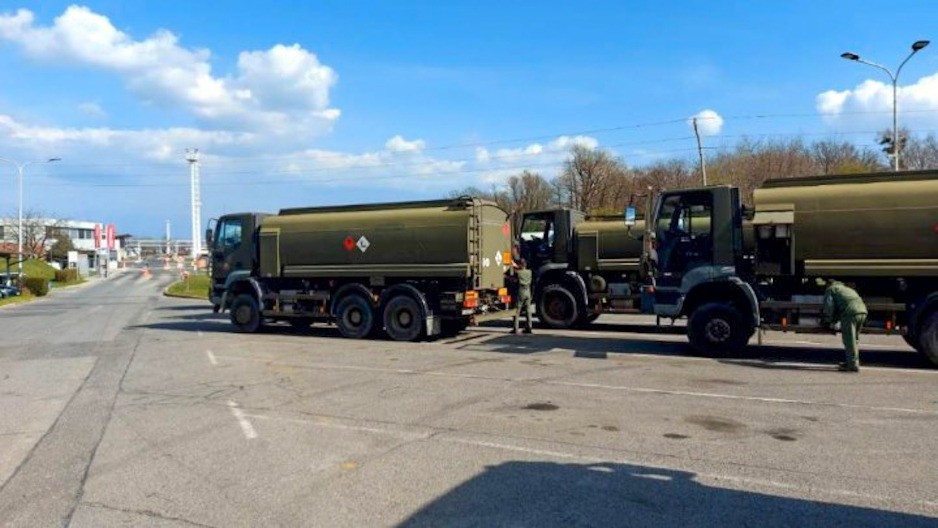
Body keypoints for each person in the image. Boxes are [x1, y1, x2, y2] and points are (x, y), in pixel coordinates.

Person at [822, 280, 868, 372]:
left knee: (849, 340)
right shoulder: (846, 289)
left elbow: (829, 306)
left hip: (850, 313)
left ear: (828, 284)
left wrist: (827, 320)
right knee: (855, 340)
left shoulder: (831, 289)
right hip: (862, 311)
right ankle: (852, 362)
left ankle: (852, 365)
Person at [512, 259, 533, 334]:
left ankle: (515, 328)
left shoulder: (519, 273)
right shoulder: (529, 272)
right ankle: (529, 327)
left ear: (520, 265)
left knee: (517, 310)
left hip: (521, 292)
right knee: (528, 310)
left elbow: (515, 277)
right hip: (528, 292)